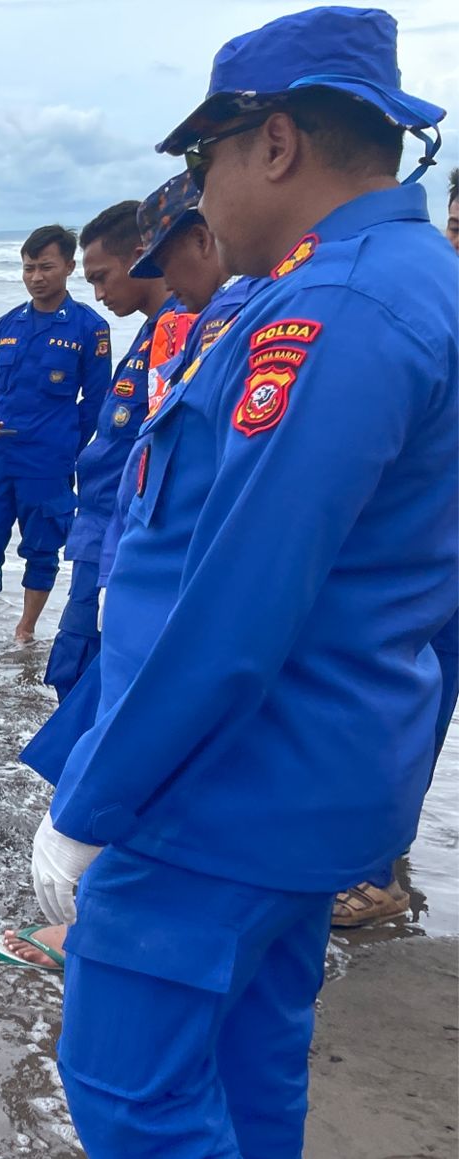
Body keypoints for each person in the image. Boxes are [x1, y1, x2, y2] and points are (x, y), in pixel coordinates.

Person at [28, 9, 456, 1153]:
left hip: (218, 794)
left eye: (200, 158)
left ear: (273, 144)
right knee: (249, 1069)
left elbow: (233, 605)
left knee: (130, 1090)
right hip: (310, 779)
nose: (196, 192)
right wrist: (388, 786)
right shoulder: (400, 282)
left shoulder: (336, 311)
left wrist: (90, 802)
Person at [0, 175, 261, 972]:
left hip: (154, 575)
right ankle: (98, 892)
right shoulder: (181, 327)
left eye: (115, 271)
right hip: (119, 552)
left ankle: (98, 916)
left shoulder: (226, 327)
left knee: (141, 738)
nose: (106, 286)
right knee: (87, 702)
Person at [333, 164, 459, 928]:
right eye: (456, 224)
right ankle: (376, 862)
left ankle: (378, 873)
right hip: (429, 548)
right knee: (404, 700)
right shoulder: (434, 306)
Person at [43, 200, 173, 701]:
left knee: (94, 676)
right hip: (98, 530)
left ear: (141, 256)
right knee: (76, 668)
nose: (97, 294)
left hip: (123, 541)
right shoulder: (149, 332)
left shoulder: (177, 335)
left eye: (102, 277)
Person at [0, 226, 111, 640]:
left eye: (46, 267)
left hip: (50, 460)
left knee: (43, 548)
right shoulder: (4, 326)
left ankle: (24, 631)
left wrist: (66, 442)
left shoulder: (89, 328)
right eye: (29, 268)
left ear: (68, 266)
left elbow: (98, 401)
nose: (36, 277)